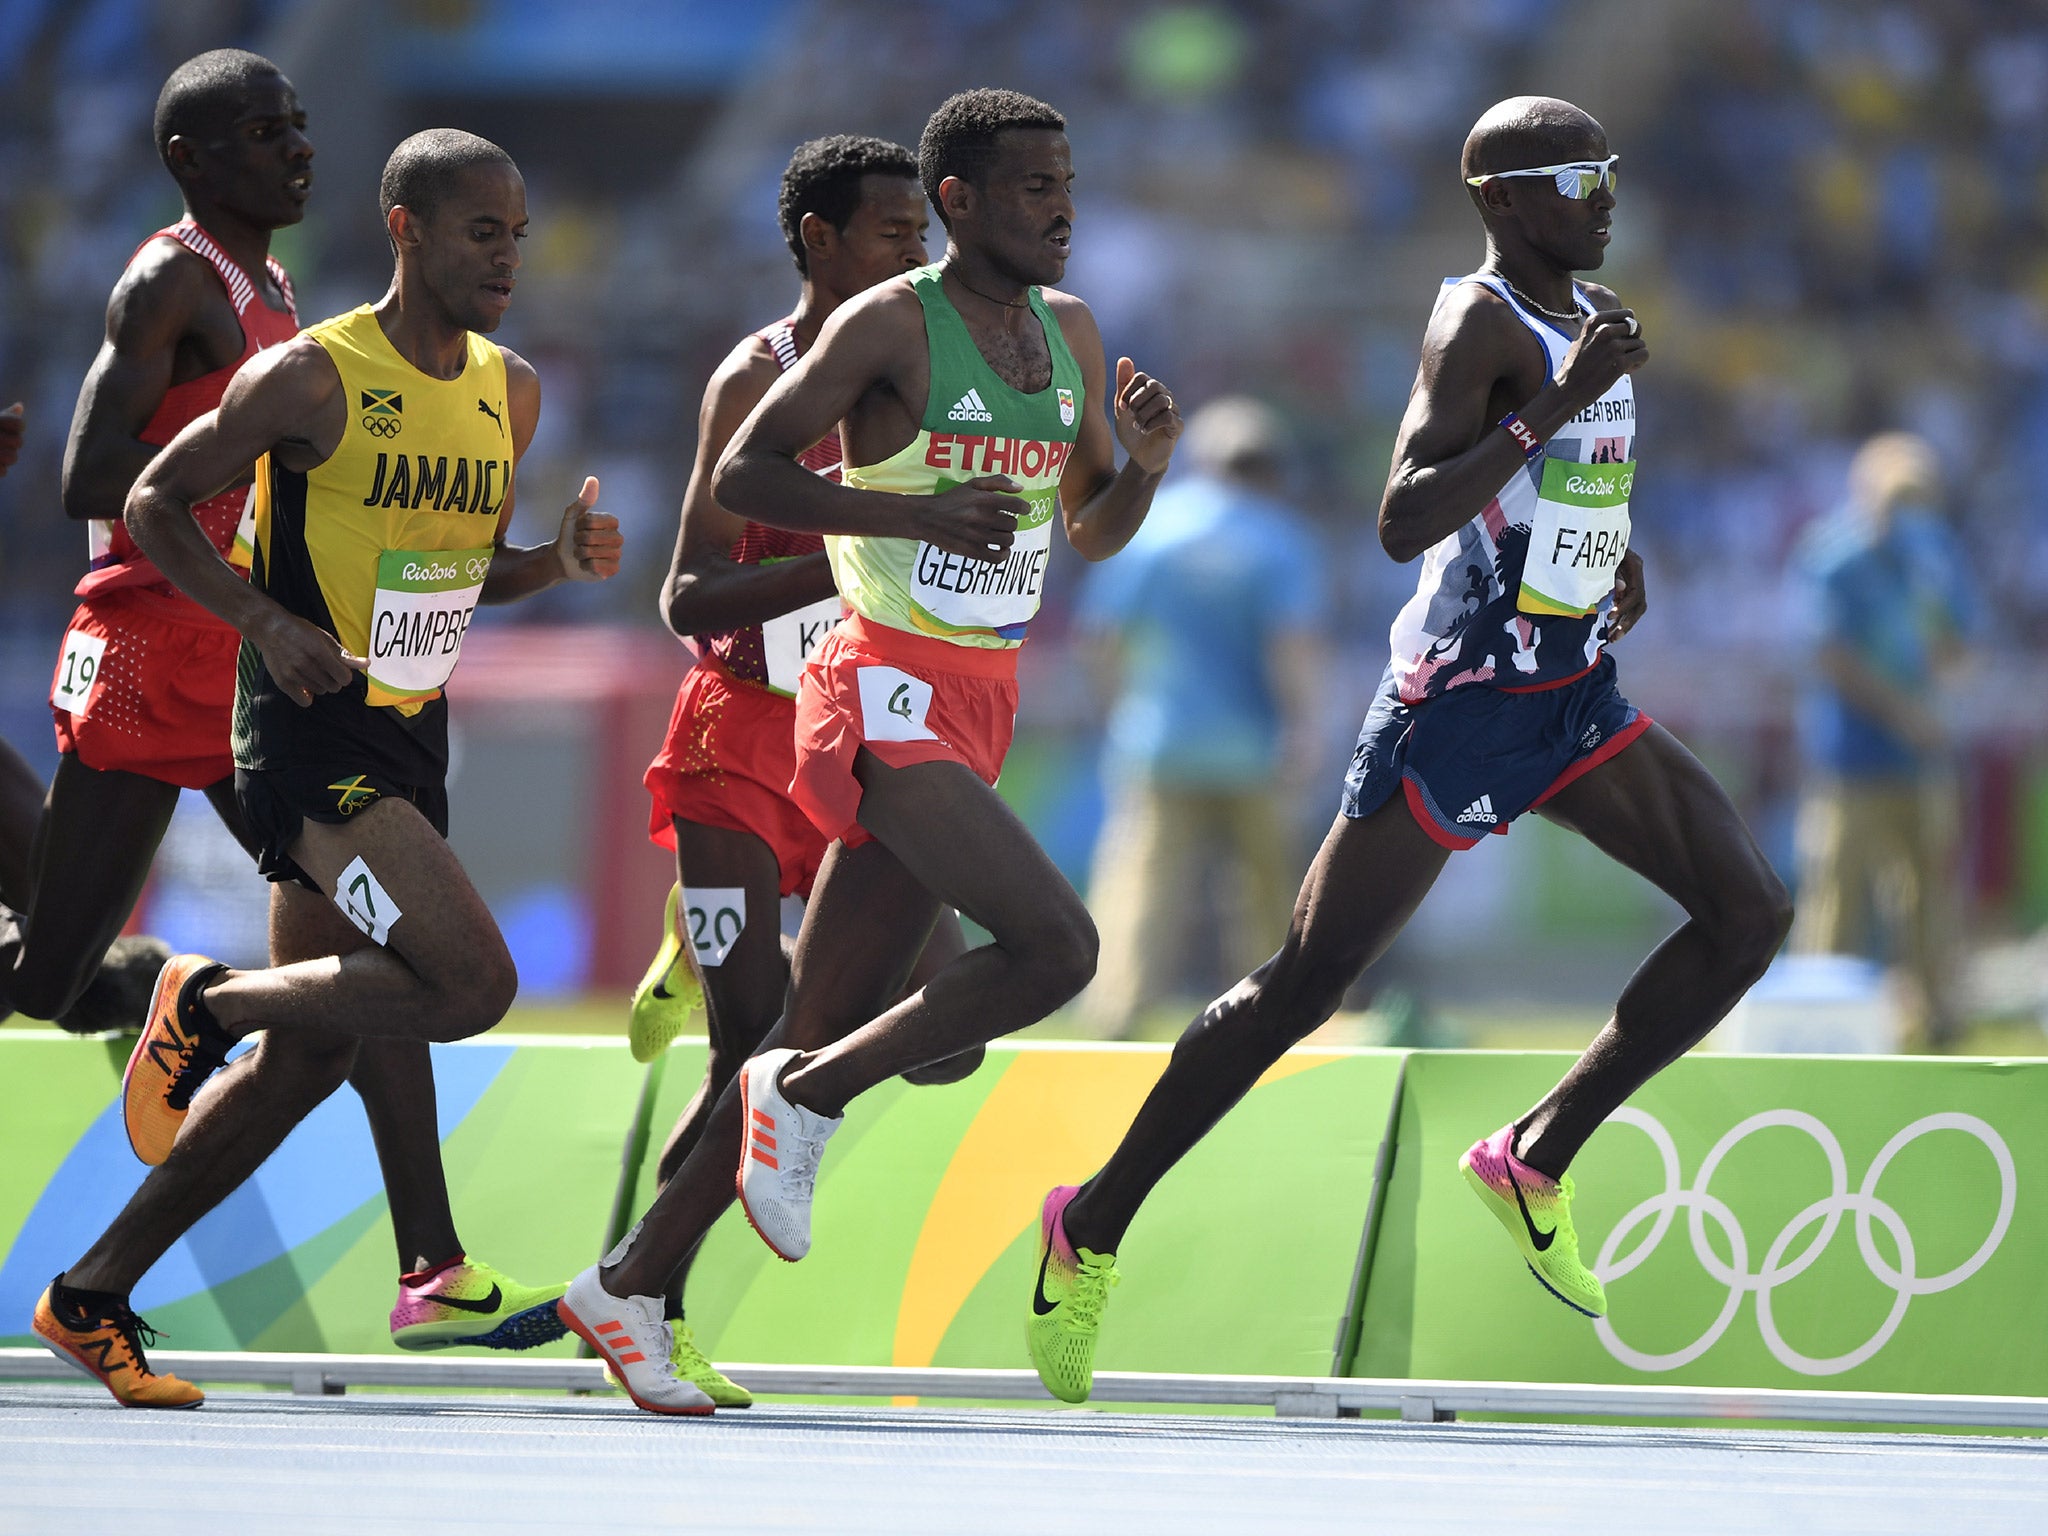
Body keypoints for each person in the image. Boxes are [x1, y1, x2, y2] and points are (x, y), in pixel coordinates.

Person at [1024, 95, 1793, 1404]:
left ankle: (1536, 1153)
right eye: (1573, 173)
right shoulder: (1484, 319)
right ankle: (1088, 1225)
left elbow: (1566, 485)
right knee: (1305, 985)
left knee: (1748, 912)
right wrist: (1562, 403)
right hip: (1457, 703)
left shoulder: (1582, 317)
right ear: (1500, 198)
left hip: (1570, 691)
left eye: (1608, 167)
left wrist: (1616, 557)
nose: (1603, 190)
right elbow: (1402, 517)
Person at [558, 87, 1182, 1416]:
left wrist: (1146, 470)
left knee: (824, 1005)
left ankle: (631, 1282)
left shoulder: (1069, 330)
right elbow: (745, 481)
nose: (1061, 208)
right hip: (878, 683)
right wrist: (889, 520)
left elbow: (1094, 531)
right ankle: (813, 1092)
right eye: (1031, 189)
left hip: (980, 693)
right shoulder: (888, 324)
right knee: (1057, 949)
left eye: (1068, 183)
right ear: (958, 203)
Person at [31, 127, 623, 1409]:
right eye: (482, 231)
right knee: (470, 983)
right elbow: (145, 505)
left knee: (313, 1059)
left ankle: (91, 1293)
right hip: (307, 744)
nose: (508, 257)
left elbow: (464, 569)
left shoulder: (507, 389)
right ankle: (209, 1003)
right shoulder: (311, 376)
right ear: (404, 227)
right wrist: (261, 622)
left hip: (413, 735)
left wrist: (555, 564)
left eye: (519, 233)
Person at [624, 132, 981, 1408]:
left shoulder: (933, 365)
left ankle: (633, 1286)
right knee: (752, 1045)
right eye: (894, 231)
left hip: (864, 743)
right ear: (820, 241)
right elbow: (685, 594)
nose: (919, 253)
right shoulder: (756, 378)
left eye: (923, 232)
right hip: (736, 739)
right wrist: (860, 549)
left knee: (938, 1047)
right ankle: (643, 1304)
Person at [1074, 396, 1328, 1039]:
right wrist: (1305, 729)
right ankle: (1274, 1020)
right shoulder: (1281, 540)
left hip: (1158, 741)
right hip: (1253, 748)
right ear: (1271, 470)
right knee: (1268, 898)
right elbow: (1290, 649)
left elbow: (1102, 636)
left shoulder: (1155, 531)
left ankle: (1115, 1017)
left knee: (1143, 890)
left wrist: (1116, 713)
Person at [1789, 432, 1970, 1049]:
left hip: (1920, 758)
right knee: (1838, 895)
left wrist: (1942, 679)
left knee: (1927, 894)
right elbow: (1830, 656)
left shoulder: (1935, 553)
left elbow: (1960, 637)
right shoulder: (1834, 557)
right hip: (1851, 758)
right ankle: (1819, 1022)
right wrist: (1905, 712)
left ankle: (1935, 1016)